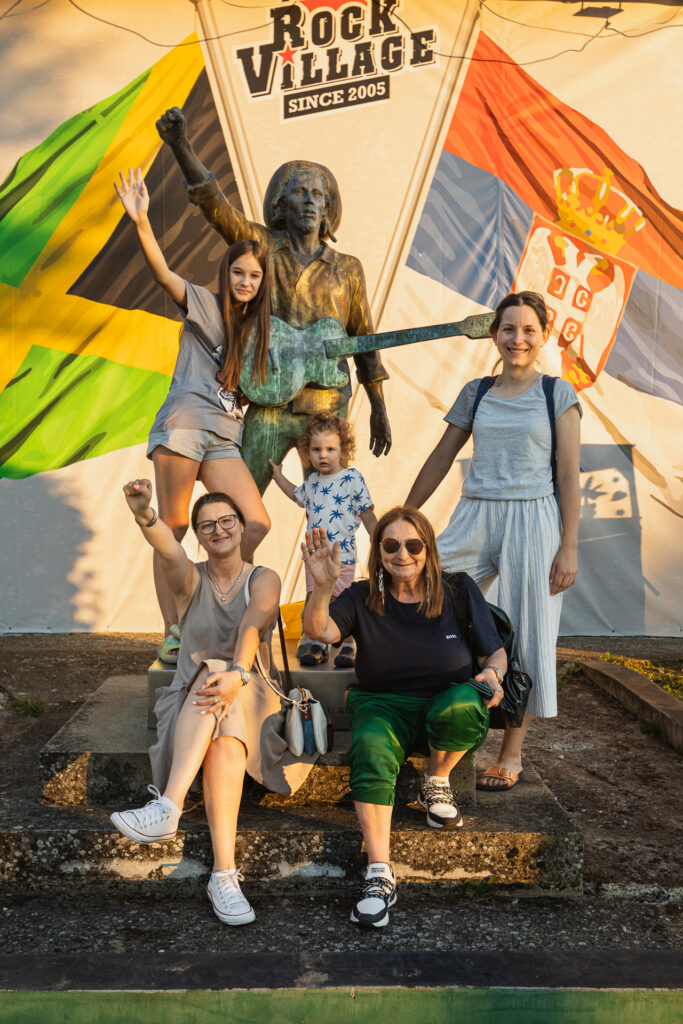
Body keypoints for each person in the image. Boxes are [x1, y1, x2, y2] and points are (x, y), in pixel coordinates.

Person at [110, 480, 315, 925]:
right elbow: (168, 549)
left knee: (219, 677)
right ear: (200, 537)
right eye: (207, 526)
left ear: (241, 527)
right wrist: (145, 514)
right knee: (219, 722)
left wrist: (237, 672)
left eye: (226, 521)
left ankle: (168, 806)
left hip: (252, 692)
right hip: (193, 699)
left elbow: (253, 623)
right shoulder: (190, 581)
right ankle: (223, 874)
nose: (218, 530)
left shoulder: (263, 578)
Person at [155, 108, 392, 494]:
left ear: (328, 208)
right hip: (269, 400)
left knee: (329, 508)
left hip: (327, 405)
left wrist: (378, 407)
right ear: (282, 204)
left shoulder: (348, 268)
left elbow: (365, 341)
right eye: (300, 192)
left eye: (318, 194)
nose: (310, 201)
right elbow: (216, 206)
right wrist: (181, 146)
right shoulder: (262, 246)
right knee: (238, 502)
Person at [406, 291, 581, 792]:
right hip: (476, 509)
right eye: (508, 328)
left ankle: (510, 754)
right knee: (425, 592)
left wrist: (569, 545)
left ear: (543, 335)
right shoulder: (477, 391)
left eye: (528, 330)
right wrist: (408, 516)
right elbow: (442, 456)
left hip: (534, 515)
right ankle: (425, 719)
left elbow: (569, 475)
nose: (517, 338)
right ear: (494, 333)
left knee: (527, 631)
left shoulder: (557, 393)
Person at [302, 507, 507, 928]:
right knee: (370, 747)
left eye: (413, 545)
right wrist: (322, 587)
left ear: (428, 548)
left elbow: (494, 651)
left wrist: (493, 674)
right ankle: (379, 873)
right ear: (378, 551)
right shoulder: (362, 595)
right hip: (382, 705)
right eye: (391, 545)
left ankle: (437, 781)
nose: (403, 554)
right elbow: (320, 632)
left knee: (463, 704)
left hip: (444, 702)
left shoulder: (457, 589)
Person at [115, 168, 271, 663]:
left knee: (255, 522)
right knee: (175, 529)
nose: (245, 281)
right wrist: (142, 221)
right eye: (238, 272)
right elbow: (163, 275)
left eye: (254, 276)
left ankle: (217, 605)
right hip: (183, 426)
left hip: (223, 437)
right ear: (226, 274)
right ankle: (174, 629)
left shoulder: (259, 332)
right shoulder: (205, 303)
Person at [269, 412, 377, 668]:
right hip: (314, 556)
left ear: (343, 451)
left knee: (342, 600)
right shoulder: (312, 482)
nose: (323, 455)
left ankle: (349, 643)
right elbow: (296, 495)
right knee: (316, 598)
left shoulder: (352, 479)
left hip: (342, 556)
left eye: (330, 449)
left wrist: (379, 539)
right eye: (316, 450)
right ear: (308, 453)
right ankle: (318, 642)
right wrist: (277, 477)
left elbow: (367, 512)